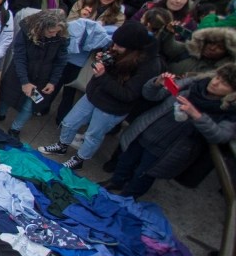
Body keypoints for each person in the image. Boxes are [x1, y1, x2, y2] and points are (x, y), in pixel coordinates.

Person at [40, 21, 161, 170]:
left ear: (133, 49)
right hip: (93, 95)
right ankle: (62, 145)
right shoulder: (120, 50)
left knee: (92, 136)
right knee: (69, 122)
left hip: (111, 107)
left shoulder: (149, 66)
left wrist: (102, 76)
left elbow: (128, 94)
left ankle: (79, 159)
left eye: (119, 46)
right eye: (114, 43)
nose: (114, 47)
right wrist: (103, 60)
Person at [107, 66, 236, 198]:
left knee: (144, 174)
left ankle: (127, 198)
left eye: (224, 84)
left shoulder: (229, 112)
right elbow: (151, 95)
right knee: (125, 159)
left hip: (168, 149)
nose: (215, 83)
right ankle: (116, 182)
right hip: (147, 130)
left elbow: (220, 136)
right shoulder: (192, 84)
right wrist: (156, 83)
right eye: (217, 77)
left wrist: (197, 116)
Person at [0, 9, 71, 138]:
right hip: (19, 72)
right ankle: (0, 113)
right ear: (42, 27)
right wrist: (25, 81)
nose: (54, 35)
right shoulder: (26, 31)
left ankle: (15, 129)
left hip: (42, 78)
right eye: (51, 31)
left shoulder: (61, 38)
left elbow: (60, 61)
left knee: (30, 106)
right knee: (7, 96)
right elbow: (19, 56)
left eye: (57, 32)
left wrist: (53, 81)